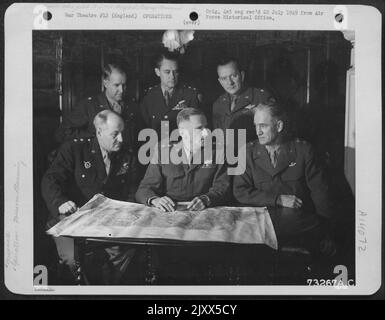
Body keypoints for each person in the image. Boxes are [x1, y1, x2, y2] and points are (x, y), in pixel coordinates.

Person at [42, 110, 139, 284]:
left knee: (129, 249)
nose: (122, 139)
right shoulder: (74, 148)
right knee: (73, 259)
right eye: (115, 134)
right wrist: (60, 202)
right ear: (99, 132)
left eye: (123, 133)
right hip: (70, 218)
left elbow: (132, 188)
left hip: (107, 221)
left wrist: (127, 211)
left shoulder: (126, 154)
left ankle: (106, 289)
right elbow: (50, 180)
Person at [233, 100, 336, 256]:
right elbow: (240, 191)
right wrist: (278, 199)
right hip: (261, 229)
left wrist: (327, 233)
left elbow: (320, 193)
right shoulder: (247, 152)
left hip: (298, 228)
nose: (258, 132)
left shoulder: (303, 150)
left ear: (279, 126)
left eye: (263, 126)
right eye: (256, 126)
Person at [135, 108, 230, 210]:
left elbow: (222, 187)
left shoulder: (218, 152)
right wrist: (155, 200)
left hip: (204, 209)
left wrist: (207, 199)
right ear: (182, 132)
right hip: (171, 210)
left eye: (206, 127)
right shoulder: (163, 151)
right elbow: (144, 189)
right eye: (199, 128)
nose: (206, 133)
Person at [56, 63, 143, 153]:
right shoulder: (89, 106)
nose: (121, 90)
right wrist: (97, 138)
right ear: (105, 83)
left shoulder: (132, 106)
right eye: (116, 85)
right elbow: (62, 133)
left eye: (124, 85)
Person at [213, 57, 271, 144]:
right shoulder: (218, 104)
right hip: (228, 155)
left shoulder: (260, 97)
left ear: (242, 75)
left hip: (253, 155)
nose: (230, 82)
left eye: (233, 76)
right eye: (224, 78)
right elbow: (219, 139)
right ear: (220, 81)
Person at [140, 52, 200, 136]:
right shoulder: (149, 97)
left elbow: (197, 129)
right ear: (157, 72)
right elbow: (145, 130)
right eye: (167, 72)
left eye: (175, 72)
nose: (172, 76)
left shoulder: (189, 95)